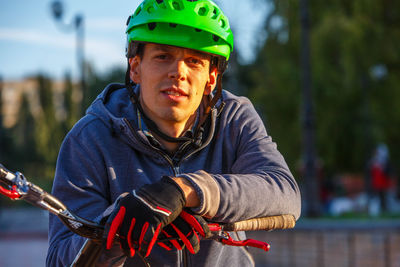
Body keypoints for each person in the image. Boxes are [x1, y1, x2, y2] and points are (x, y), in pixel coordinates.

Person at [46, 0, 301, 266]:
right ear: (135, 68)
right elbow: (59, 257)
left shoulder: (234, 118)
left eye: (193, 61)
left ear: (211, 78)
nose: (178, 72)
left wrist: (188, 190)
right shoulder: (90, 138)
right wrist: (121, 225)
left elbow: (284, 193)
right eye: (163, 56)